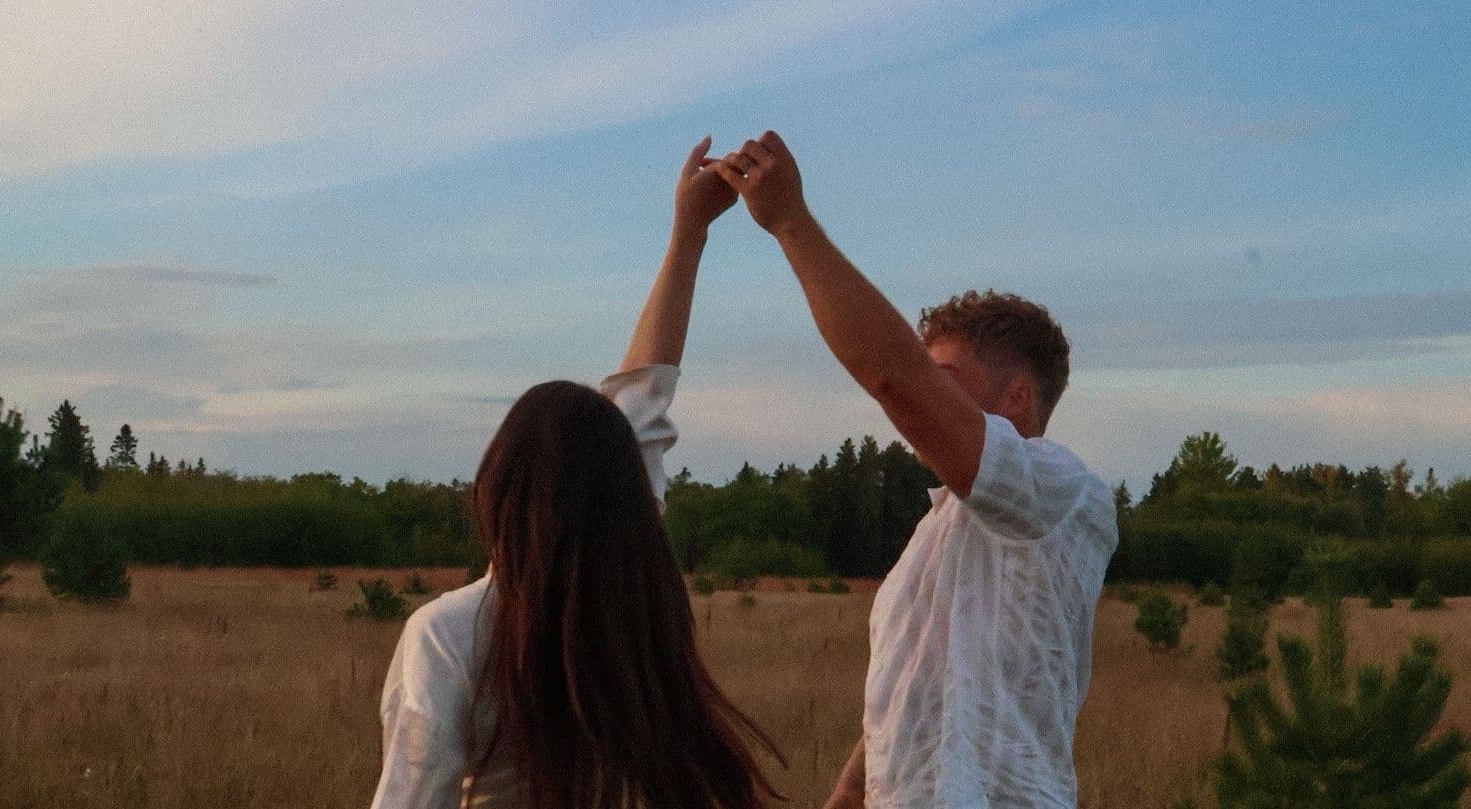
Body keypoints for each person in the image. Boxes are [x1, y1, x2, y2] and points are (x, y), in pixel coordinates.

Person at [368, 138, 783, 809]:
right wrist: (687, 235)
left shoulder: (450, 633)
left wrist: (688, 234)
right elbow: (644, 399)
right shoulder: (627, 610)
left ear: (500, 485)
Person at [712, 133, 1118, 808]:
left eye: (946, 376)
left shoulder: (1061, 491)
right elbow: (908, 696)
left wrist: (790, 221)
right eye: (929, 374)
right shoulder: (937, 533)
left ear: (1018, 397)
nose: (927, 390)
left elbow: (891, 376)